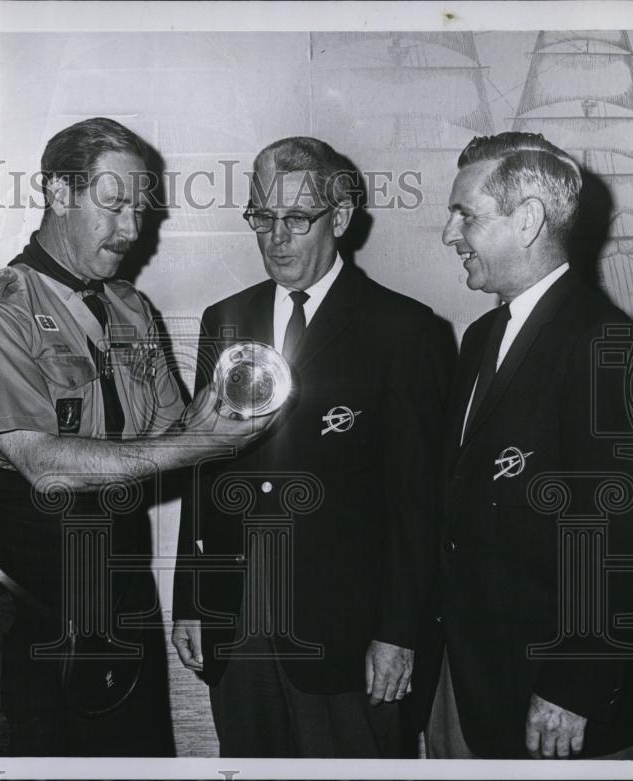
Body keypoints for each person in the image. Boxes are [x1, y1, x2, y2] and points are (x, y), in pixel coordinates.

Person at [0, 117, 274, 756]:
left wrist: (238, 401)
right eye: (113, 205)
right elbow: (45, 467)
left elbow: (172, 431)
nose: (130, 229)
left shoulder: (130, 308)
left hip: (118, 585)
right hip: (19, 596)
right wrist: (200, 443)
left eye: (139, 209)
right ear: (59, 192)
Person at [171, 136, 454, 757]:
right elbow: (201, 469)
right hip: (238, 622)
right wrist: (192, 599)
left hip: (349, 635)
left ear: (341, 218)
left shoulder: (405, 330)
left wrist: (398, 633)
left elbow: (417, 504)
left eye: (297, 219)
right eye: (262, 217)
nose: (276, 238)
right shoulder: (224, 319)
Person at [421, 131, 633, 759]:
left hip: (551, 703)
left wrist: (575, 684)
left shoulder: (605, 347)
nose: (449, 233)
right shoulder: (480, 338)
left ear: (526, 221)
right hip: (471, 679)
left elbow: (617, 537)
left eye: (465, 214)